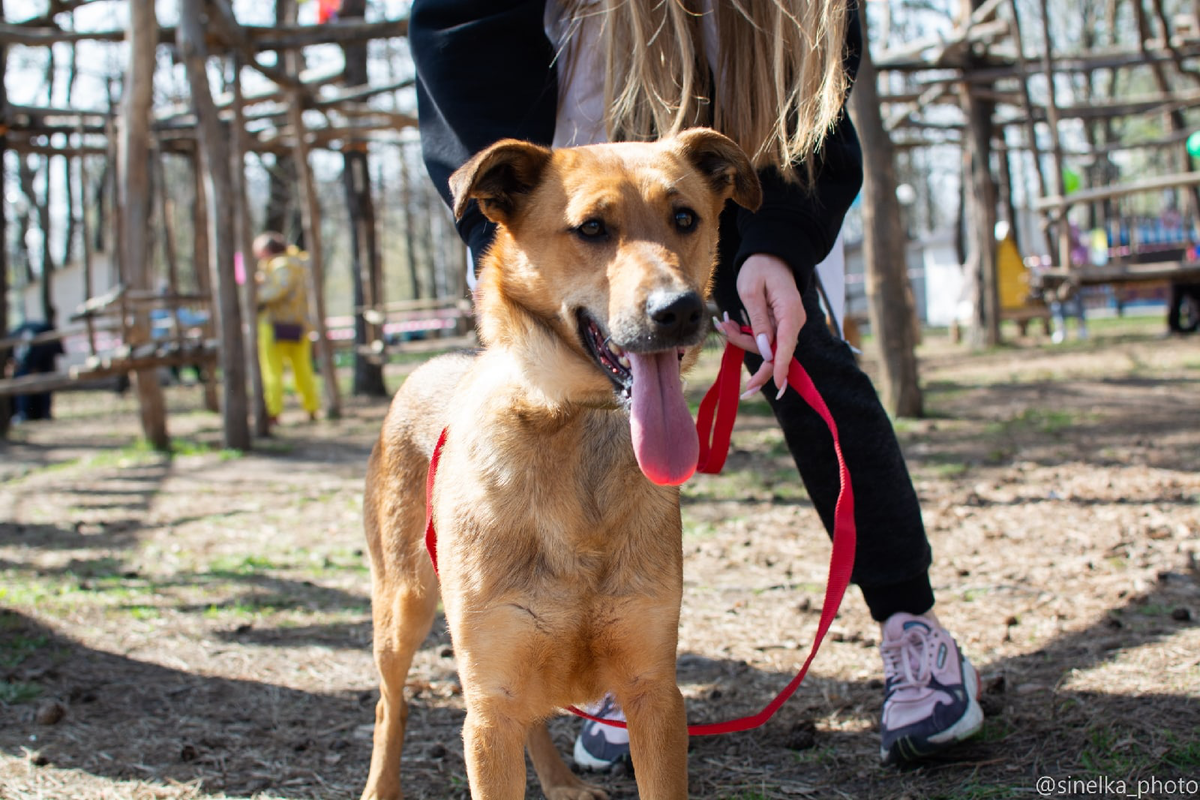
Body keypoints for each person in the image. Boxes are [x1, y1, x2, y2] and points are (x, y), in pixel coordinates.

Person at [409, 0, 983, 767]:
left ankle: (912, 624)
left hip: (754, 158)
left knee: (802, 350)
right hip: (577, 151)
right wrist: (509, 231)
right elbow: (460, 27)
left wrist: (776, 245)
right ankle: (606, 658)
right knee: (562, 396)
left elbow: (820, 102)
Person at [253, 232, 320, 425]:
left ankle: (274, 412)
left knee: (273, 371)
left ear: (266, 250)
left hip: (275, 324)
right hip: (299, 324)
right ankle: (311, 407)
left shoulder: (281, 265)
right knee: (302, 369)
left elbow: (278, 291)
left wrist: (256, 295)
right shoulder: (298, 263)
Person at [6, 320, 65, 423]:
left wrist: (34, 365)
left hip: (36, 365)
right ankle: (26, 413)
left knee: (41, 386)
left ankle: (36, 413)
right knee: (23, 387)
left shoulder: (35, 331)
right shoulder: (20, 333)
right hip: (28, 365)